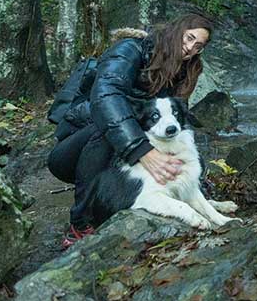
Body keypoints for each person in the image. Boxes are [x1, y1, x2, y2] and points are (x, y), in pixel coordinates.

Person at [47, 13, 213, 245]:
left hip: (119, 156)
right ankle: (79, 224)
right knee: (106, 127)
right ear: (177, 31)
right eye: (189, 38)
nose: (190, 49)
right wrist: (142, 150)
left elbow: (175, 125)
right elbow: (107, 98)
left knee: (189, 161)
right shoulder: (129, 50)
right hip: (75, 150)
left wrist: (191, 180)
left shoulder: (181, 70)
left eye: (198, 46)